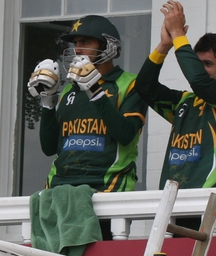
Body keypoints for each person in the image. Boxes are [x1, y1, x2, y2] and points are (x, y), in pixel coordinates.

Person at [136, 0, 216, 189]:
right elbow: (143, 87)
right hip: (170, 202)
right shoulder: (185, 101)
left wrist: (178, 35)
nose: (200, 69)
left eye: (208, 64)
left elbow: (199, 82)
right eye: (198, 64)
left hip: (208, 204)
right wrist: (164, 46)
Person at [28, 15, 148, 192]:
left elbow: (126, 135)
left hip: (107, 187)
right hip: (60, 186)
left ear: (108, 45)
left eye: (85, 42)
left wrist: (95, 90)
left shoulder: (130, 84)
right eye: (75, 43)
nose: (78, 49)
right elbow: (49, 148)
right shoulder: (70, 89)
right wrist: (48, 102)